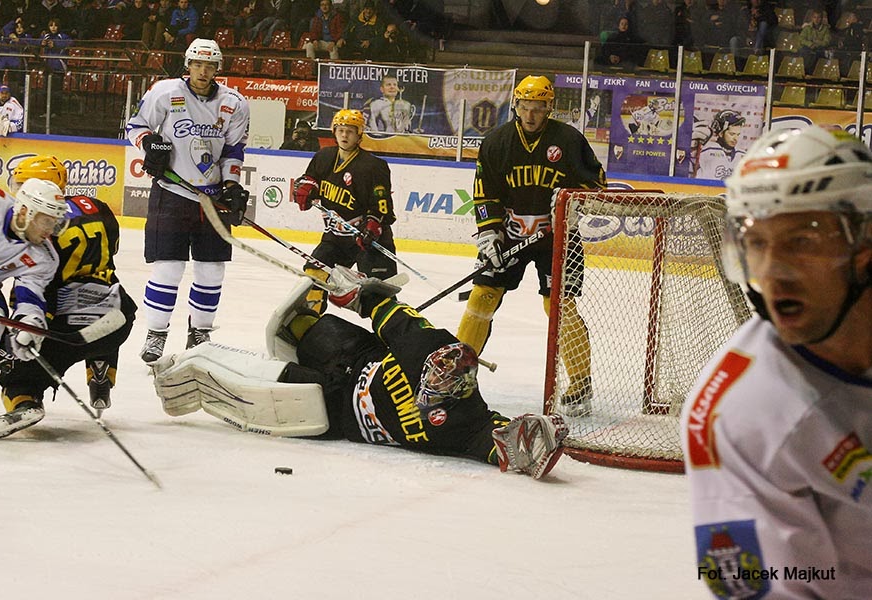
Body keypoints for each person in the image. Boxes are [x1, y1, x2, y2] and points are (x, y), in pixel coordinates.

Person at [682, 125, 872, 597]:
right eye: (757, 243)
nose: (771, 273)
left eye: (802, 241)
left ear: (864, 243)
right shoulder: (738, 413)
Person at [152, 272, 571, 480]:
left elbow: (505, 442)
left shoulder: (468, 422)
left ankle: (199, 366)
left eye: (438, 387)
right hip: (357, 356)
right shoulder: (425, 345)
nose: (428, 387)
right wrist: (355, 293)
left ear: (458, 392)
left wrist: (530, 442)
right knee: (293, 326)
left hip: (335, 411)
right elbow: (384, 309)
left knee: (268, 386)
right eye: (430, 378)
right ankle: (295, 343)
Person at [455, 75, 606, 417]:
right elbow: (484, 192)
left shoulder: (568, 140)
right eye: (525, 107)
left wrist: (571, 203)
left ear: (549, 108)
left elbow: (596, 184)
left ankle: (580, 382)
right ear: (516, 106)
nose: (531, 114)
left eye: (538, 108)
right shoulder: (497, 142)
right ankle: (459, 373)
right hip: (509, 233)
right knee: (482, 296)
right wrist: (489, 233)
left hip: (558, 237)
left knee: (559, 306)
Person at [0, 156, 138, 439]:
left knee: (18, 374)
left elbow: (33, 299)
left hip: (66, 327)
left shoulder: (38, 233)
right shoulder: (98, 206)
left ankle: (25, 401)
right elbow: (110, 254)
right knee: (105, 302)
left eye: (23, 184)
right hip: (117, 318)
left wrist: (6, 345)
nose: (18, 191)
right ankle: (101, 368)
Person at [125, 38, 250, 363]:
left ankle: (200, 333)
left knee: (211, 270)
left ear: (217, 68)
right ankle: (156, 333)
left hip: (212, 198)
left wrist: (232, 184)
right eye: (197, 64)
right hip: (172, 192)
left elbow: (234, 149)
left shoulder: (234, 102)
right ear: (188, 65)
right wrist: (149, 143)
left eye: (209, 65)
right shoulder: (165, 92)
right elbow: (135, 126)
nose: (203, 71)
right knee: (168, 268)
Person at [292, 108, 396, 314]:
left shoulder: (373, 166)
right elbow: (309, 179)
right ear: (334, 132)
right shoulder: (323, 156)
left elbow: (382, 206)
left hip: (368, 240)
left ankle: (393, 323)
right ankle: (309, 319)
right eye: (340, 130)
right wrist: (305, 188)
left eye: (350, 131)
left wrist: (373, 225)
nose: (344, 135)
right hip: (336, 238)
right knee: (313, 275)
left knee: (377, 295)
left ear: (359, 134)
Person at [0, 178, 64, 387]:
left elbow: (30, 297)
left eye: (55, 222)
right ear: (24, 211)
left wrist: (29, 325)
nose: (51, 230)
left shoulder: (43, 258)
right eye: (46, 221)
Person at [693, 109, 745, 180]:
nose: (736, 138)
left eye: (738, 134)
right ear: (720, 133)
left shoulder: (742, 155)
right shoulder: (708, 151)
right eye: (732, 134)